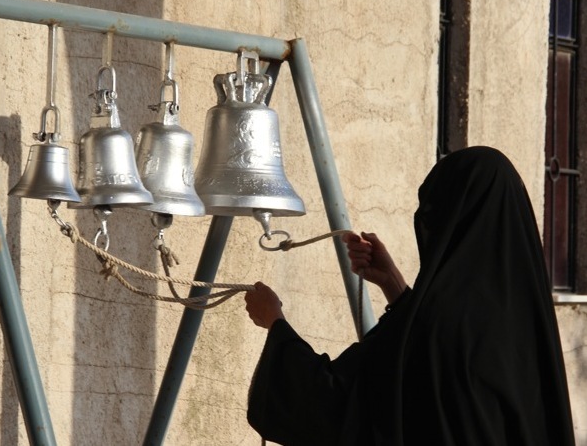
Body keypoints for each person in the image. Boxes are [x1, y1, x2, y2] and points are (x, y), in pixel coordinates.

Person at [244, 146, 575, 445]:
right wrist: (394, 286)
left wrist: (274, 321)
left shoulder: (435, 329)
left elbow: (331, 405)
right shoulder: (528, 325)